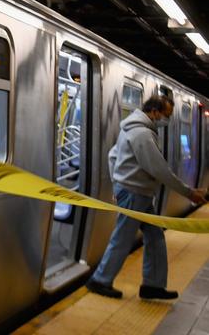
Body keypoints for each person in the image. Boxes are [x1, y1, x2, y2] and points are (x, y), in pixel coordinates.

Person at [86, 95, 207, 300]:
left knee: (155, 236)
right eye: (165, 115)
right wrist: (189, 193)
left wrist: (118, 185)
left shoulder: (132, 128)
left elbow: (112, 156)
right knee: (122, 238)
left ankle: (152, 285)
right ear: (154, 112)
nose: (166, 120)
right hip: (135, 193)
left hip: (137, 193)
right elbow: (160, 170)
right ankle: (100, 280)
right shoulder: (142, 134)